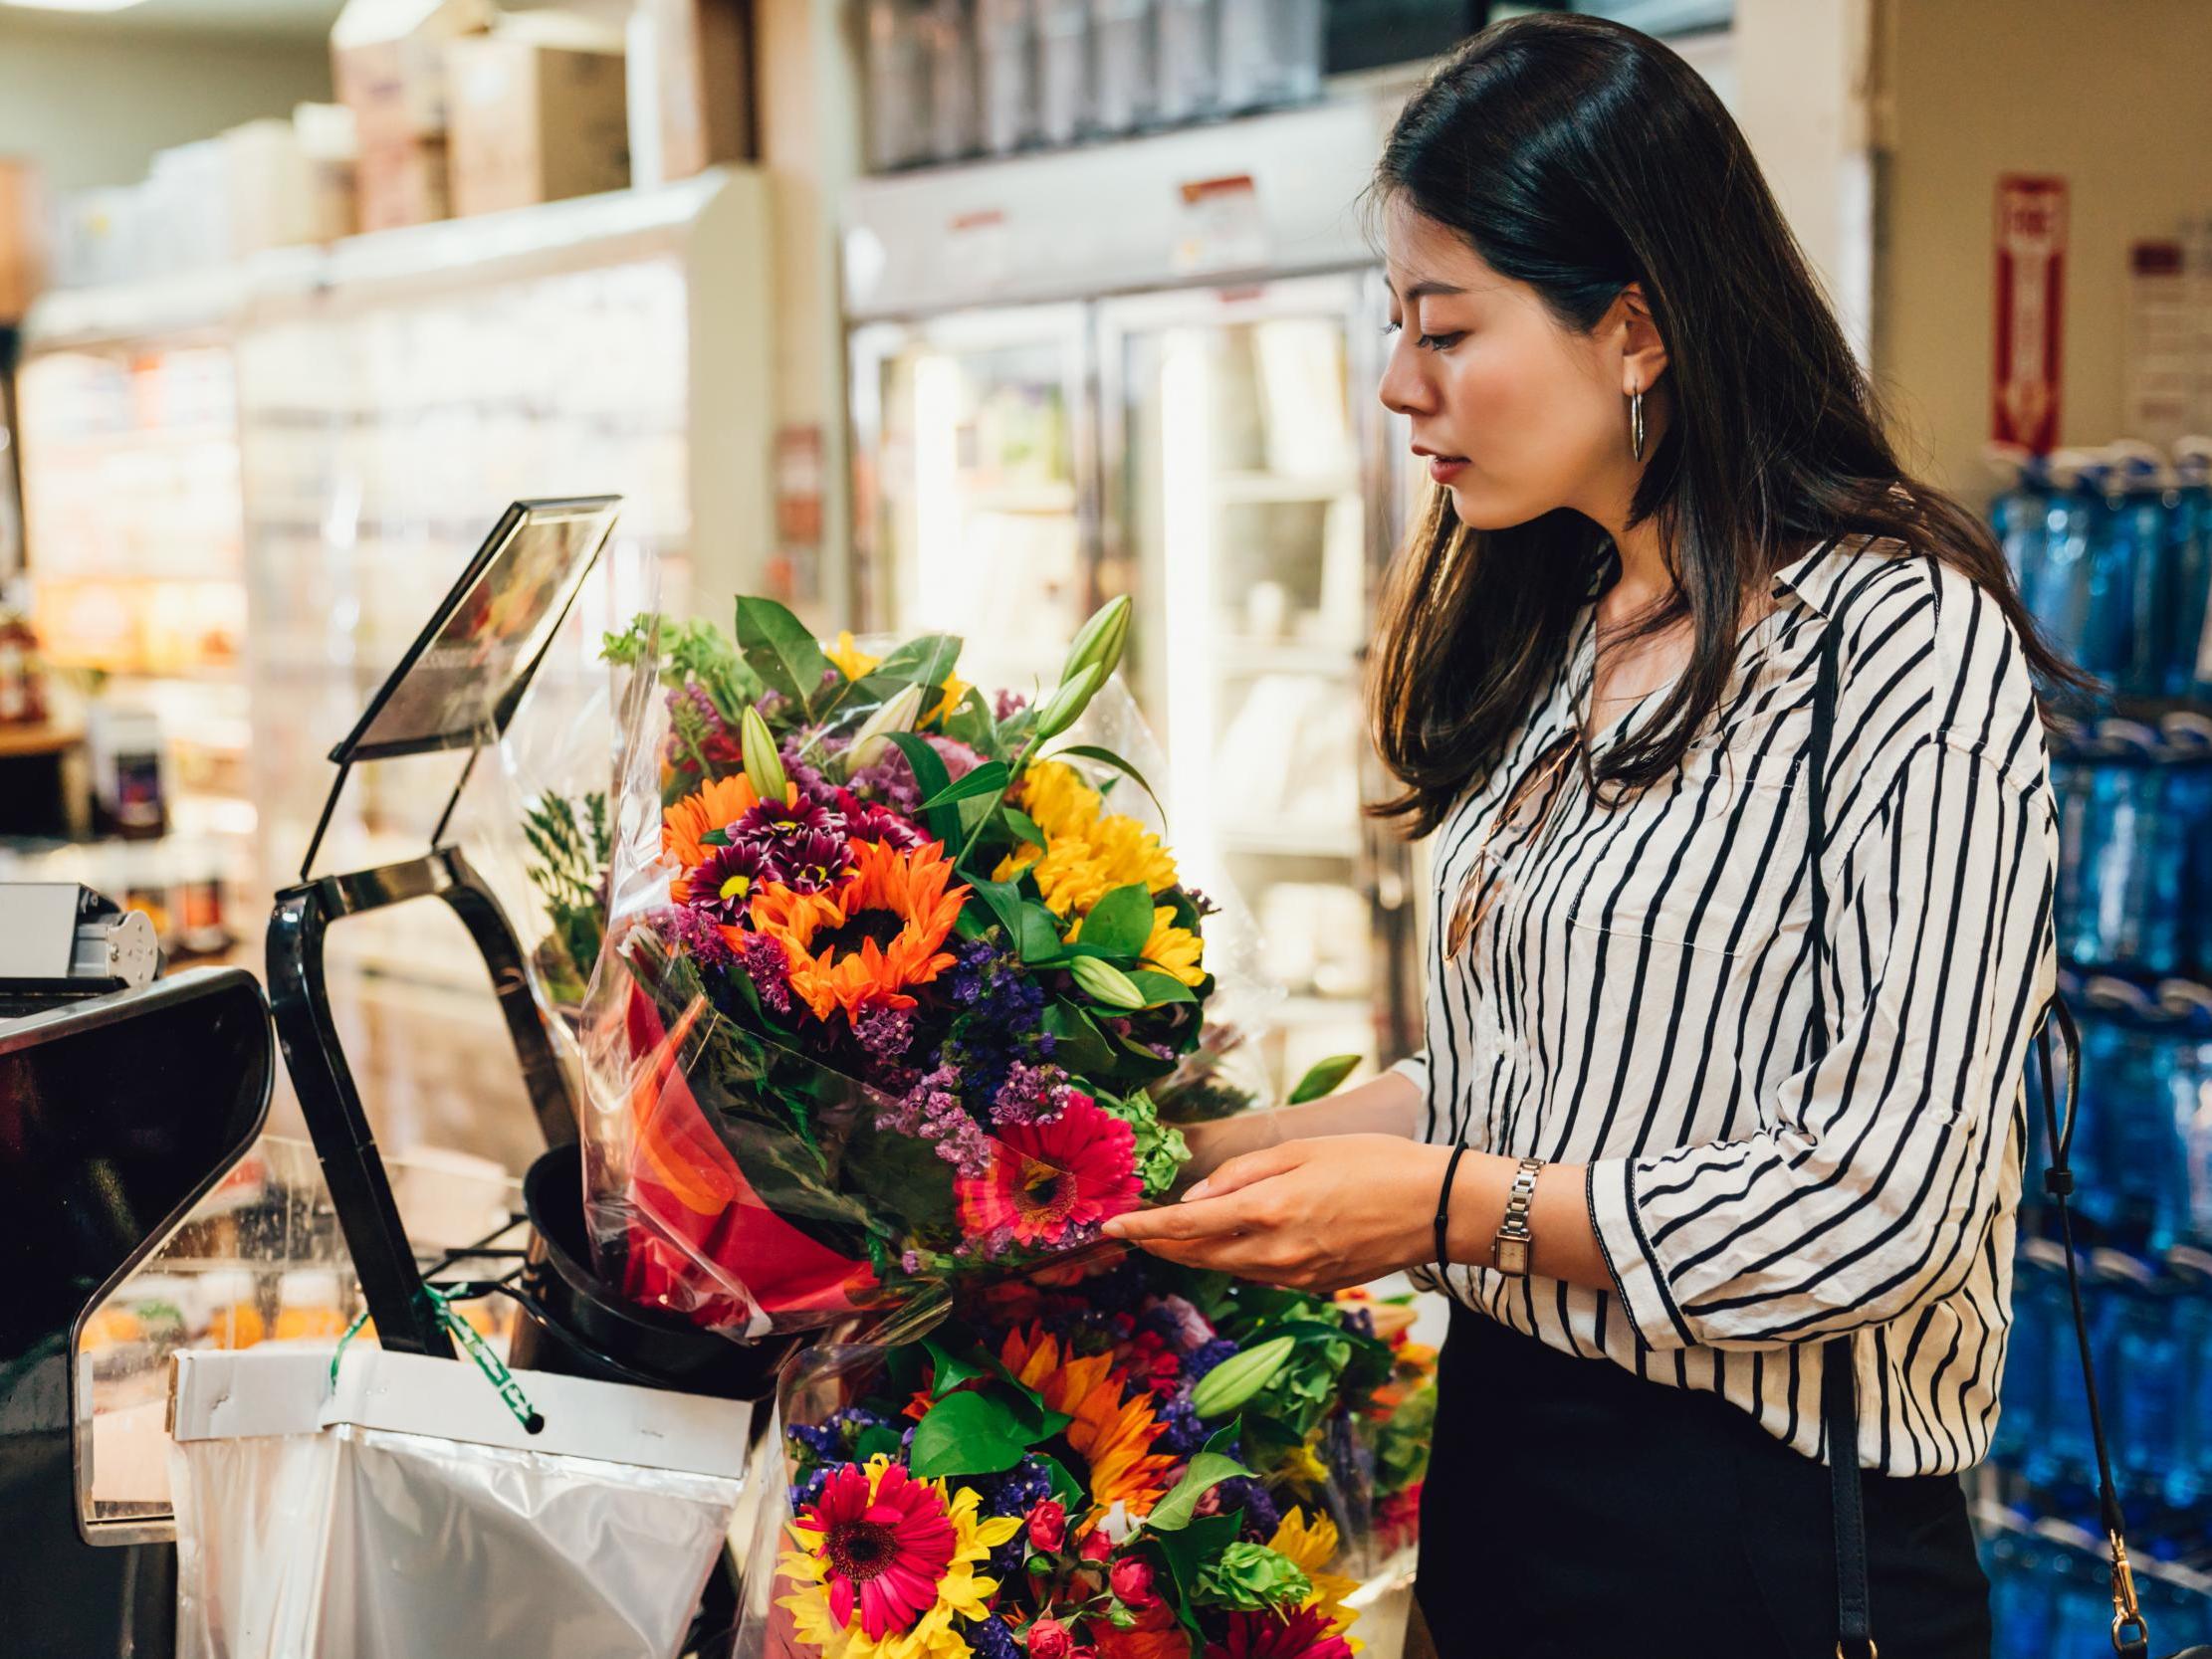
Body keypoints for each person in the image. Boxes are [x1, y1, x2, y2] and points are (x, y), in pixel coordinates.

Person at [1102, 14, 2096, 1658]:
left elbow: (1879, 1202)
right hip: (1504, 1476)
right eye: (1392, 326)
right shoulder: (1567, 610)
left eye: (1445, 328)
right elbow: (1535, 1084)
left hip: (1758, 1540)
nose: (1396, 384)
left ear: (1630, 327)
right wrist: (1202, 1160)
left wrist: (1430, 1211)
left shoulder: (1892, 640)